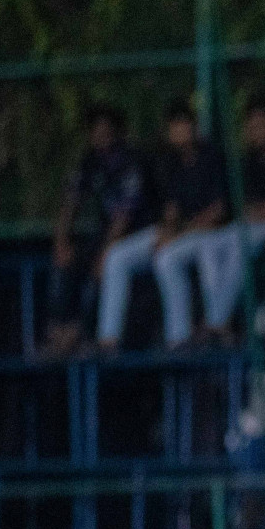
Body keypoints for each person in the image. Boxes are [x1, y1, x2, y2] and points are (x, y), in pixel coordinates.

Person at [97, 100, 227, 352]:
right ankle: (108, 340)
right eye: (173, 127)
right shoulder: (169, 163)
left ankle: (178, 338)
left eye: (183, 125)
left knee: (166, 258)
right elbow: (171, 211)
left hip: (207, 235)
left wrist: (177, 233)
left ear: (193, 127)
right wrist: (168, 231)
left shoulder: (212, 157)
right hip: (178, 233)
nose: (178, 132)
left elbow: (218, 213)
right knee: (116, 256)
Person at [189, 101, 265, 344]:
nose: (257, 131)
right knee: (209, 246)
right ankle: (219, 320)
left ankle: (217, 322)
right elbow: (246, 208)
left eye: (261, 125)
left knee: (239, 247)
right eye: (252, 126)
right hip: (254, 224)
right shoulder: (248, 162)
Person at [47, 106, 152, 357]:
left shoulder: (130, 161)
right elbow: (70, 202)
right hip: (104, 236)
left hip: (136, 237)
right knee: (64, 263)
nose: (100, 137)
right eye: (96, 132)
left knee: (104, 266)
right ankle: (59, 332)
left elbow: (123, 217)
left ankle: (83, 336)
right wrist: (61, 242)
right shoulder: (89, 161)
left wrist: (104, 253)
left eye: (106, 132)